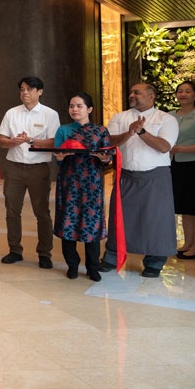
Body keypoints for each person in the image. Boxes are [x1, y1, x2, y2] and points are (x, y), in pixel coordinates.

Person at [99, 83, 179, 277]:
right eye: (131, 92)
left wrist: (142, 132)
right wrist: (129, 132)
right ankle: (111, 257)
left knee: (156, 220)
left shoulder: (166, 119)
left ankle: (154, 262)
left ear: (151, 96)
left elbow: (164, 147)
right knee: (120, 218)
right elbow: (109, 142)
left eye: (137, 92)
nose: (132, 95)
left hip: (156, 177)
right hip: (126, 176)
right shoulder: (120, 117)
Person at [0, 76, 61, 268]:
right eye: (22, 89)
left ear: (40, 92)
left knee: (42, 212)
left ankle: (45, 253)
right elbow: (2, 141)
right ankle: (15, 250)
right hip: (14, 168)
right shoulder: (11, 113)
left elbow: (54, 142)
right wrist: (13, 141)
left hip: (38, 169)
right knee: (12, 211)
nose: (25, 93)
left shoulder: (50, 114)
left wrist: (31, 140)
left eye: (30, 89)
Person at [52, 93, 112, 281]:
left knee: (91, 223)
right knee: (68, 222)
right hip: (69, 182)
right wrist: (60, 157)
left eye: (79, 106)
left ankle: (93, 267)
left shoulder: (100, 131)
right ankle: (72, 264)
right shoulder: (63, 130)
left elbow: (107, 158)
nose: (74, 109)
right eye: (71, 106)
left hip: (92, 183)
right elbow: (58, 157)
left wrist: (105, 158)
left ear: (89, 109)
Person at [170, 81, 195, 259]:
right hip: (176, 165)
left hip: (194, 165)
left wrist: (180, 149)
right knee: (185, 208)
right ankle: (187, 243)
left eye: (188, 91)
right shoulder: (170, 116)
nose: (183, 94)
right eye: (180, 91)